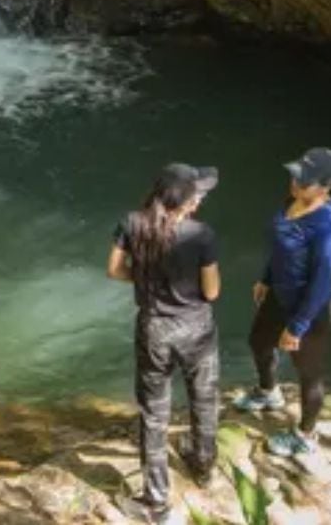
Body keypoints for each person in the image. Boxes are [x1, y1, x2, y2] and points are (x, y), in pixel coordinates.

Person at [106, 163, 222, 522]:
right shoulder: (202, 235)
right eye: (197, 194)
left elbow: (113, 270)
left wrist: (144, 283)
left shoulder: (132, 223)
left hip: (154, 328)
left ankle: (156, 501)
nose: (200, 198)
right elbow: (212, 291)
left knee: (154, 414)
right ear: (187, 201)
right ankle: (202, 464)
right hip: (196, 329)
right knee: (204, 398)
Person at [234, 147, 331, 458]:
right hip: (279, 295)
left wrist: (297, 328)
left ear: (326, 187)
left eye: (305, 180)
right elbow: (281, 249)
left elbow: (321, 281)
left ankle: (306, 435)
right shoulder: (293, 203)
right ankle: (269, 393)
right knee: (258, 342)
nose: (296, 183)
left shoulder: (328, 228)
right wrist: (266, 279)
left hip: (310, 309)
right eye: (296, 175)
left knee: (309, 374)